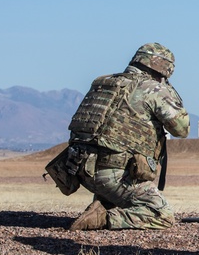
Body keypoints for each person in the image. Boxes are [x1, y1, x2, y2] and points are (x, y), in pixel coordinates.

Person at [56, 43, 190, 231]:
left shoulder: (104, 82)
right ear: (164, 69)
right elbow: (182, 130)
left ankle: (104, 203)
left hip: (79, 170)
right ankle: (103, 218)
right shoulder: (153, 89)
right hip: (115, 174)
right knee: (163, 215)